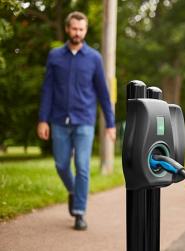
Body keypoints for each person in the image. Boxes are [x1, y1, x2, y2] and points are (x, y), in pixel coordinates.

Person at [37, 11, 116, 231]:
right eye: (74, 29)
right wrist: (43, 119)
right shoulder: (54, 56)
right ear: (67, 29)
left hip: (84, 121)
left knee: (82, 166)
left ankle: (80, 212)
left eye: (81, 29)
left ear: (86, 30)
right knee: (61, 164)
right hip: (59, 120)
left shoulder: (94, 58)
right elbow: (48, 90)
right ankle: (73, 191)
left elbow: (103, 93)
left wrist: (110, 123)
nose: (77, 33)